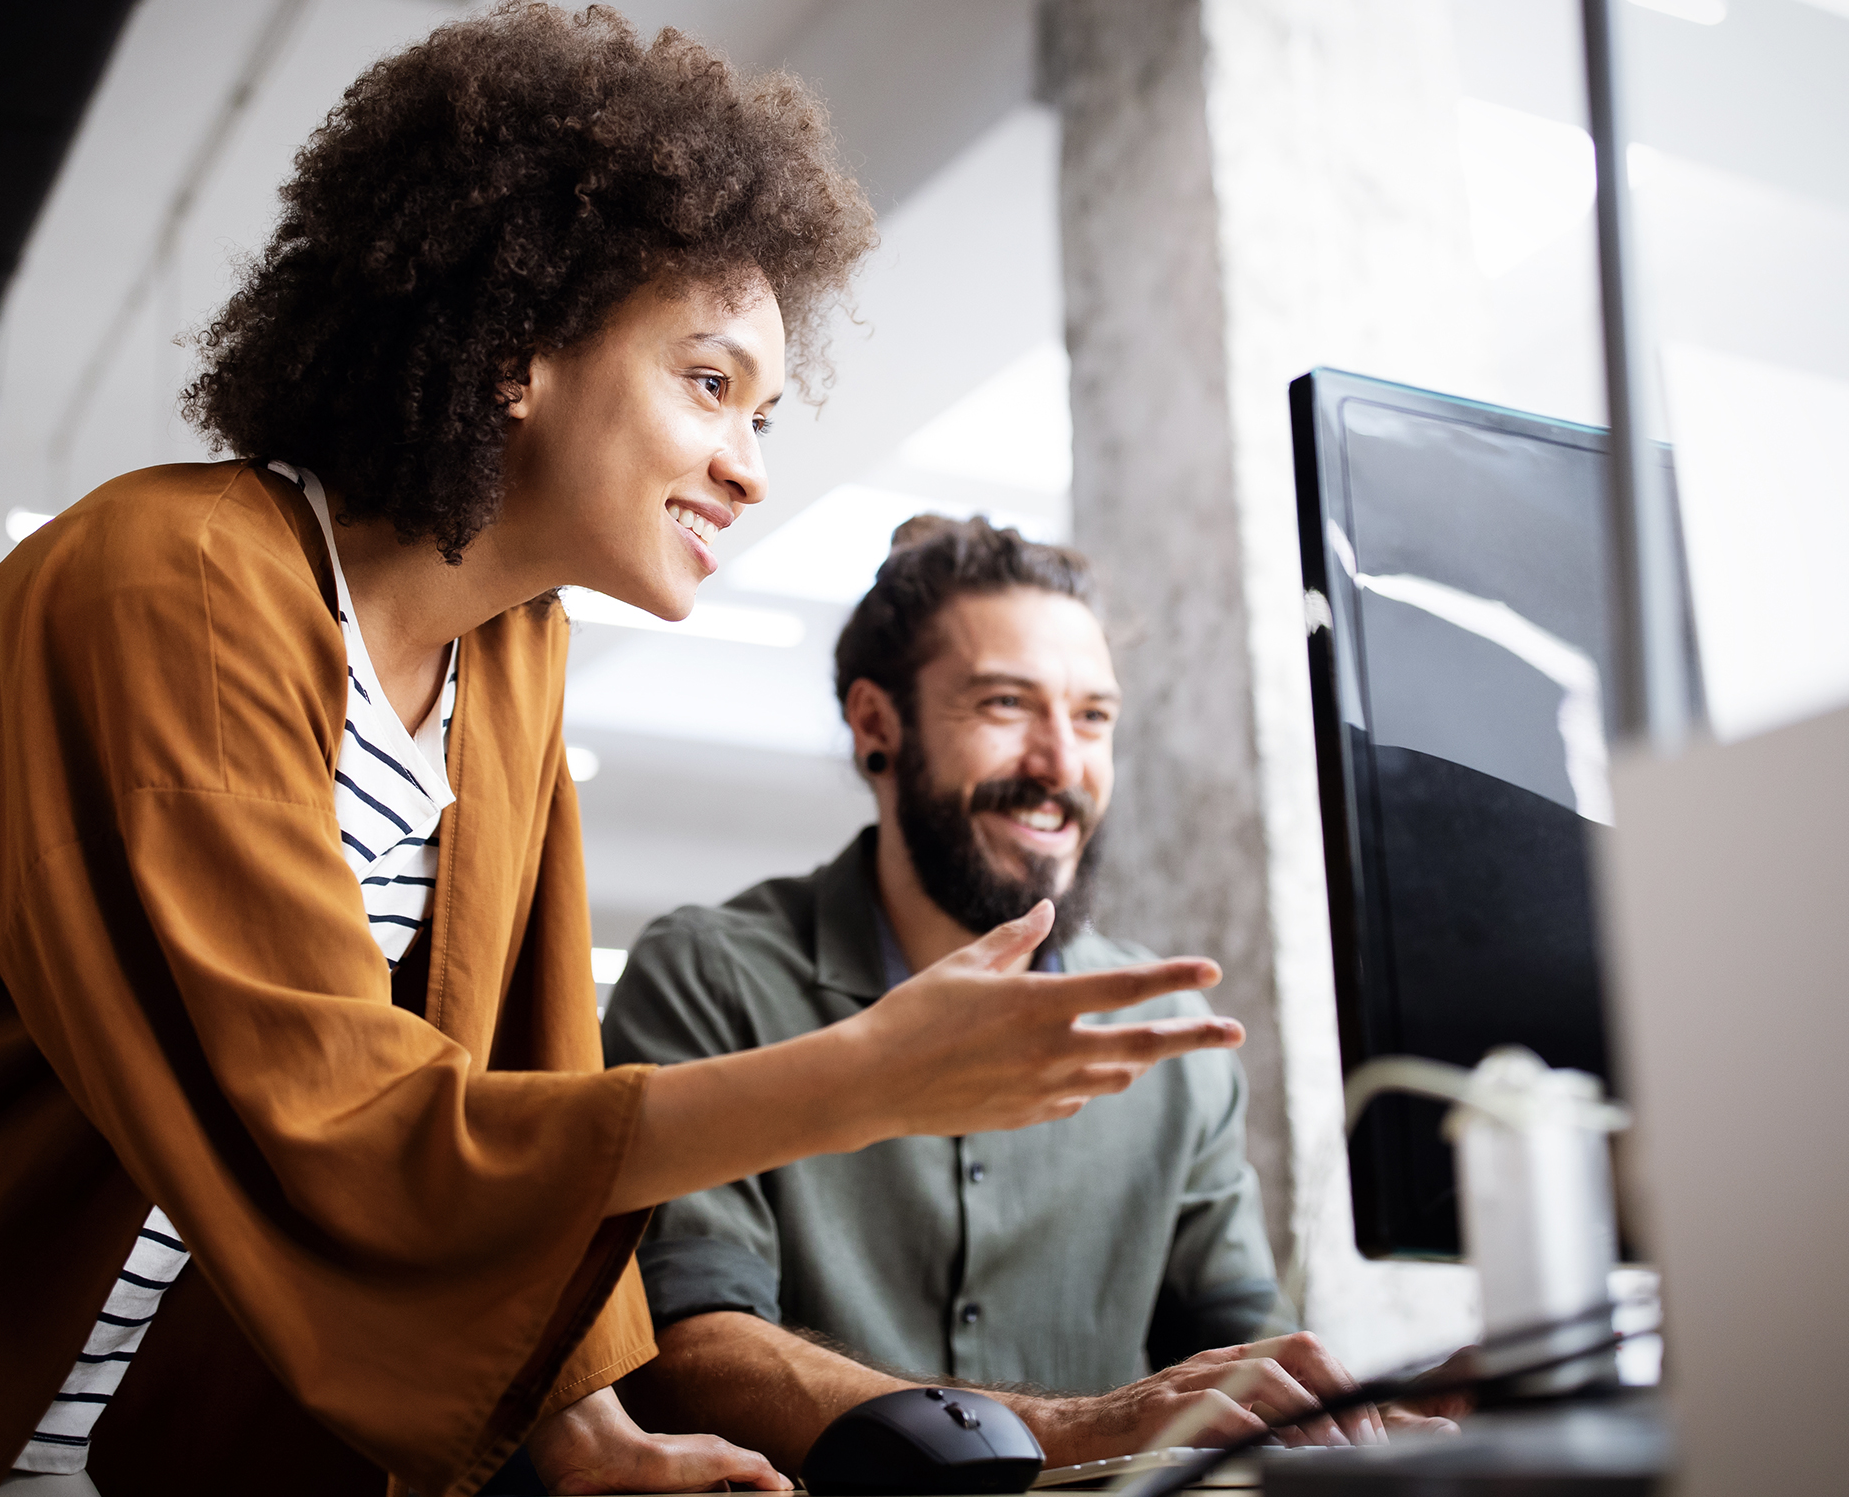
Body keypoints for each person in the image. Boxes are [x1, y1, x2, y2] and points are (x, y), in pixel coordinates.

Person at [0, 0, 1248, 1497]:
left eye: (763, 413)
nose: (748, 467)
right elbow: (341, 1121)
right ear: (518, 347)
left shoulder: (507, 656)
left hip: (29, 1392)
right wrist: (862, 1075)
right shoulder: (174, 582)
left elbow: (513, 1066)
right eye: (709, 381)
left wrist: (598, 1438)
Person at [607, 517, 1446, 1473]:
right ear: (877, 725)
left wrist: (1397, 1409)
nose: (1060, 765)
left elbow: (1246, 1360)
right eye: (1007, 705)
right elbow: (683, 1348)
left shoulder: (1173, 1043)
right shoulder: (712, 978)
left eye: (1093, 717)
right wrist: (1068, 1429)